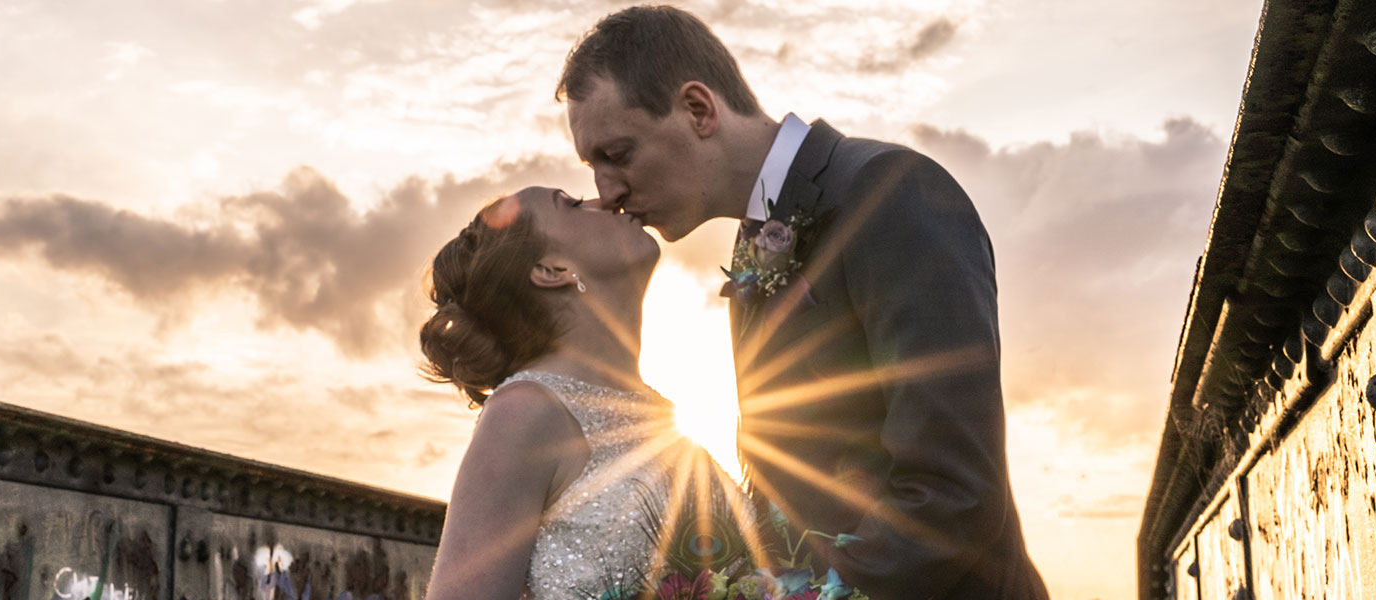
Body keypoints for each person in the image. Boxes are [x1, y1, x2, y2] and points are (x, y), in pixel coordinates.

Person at [556, 6, 1048, 598]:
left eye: (618, 154)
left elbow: (954, 492)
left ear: (698, 109)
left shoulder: (888, 190)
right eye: (593, 166)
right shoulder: (751, 242)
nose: (607, 192)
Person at [418, 187, 754, 600]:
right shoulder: (524, 412)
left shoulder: (659, 414)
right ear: (551, 268)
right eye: (573, 204)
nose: (606, 200)